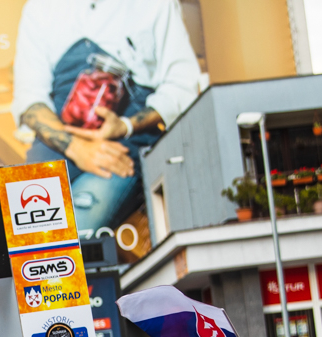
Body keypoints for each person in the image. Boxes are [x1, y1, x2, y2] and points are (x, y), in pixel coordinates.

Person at [12, 0, 199, 233]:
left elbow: (182, 86)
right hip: (55, 143)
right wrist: (77, 147)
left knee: (77, 231)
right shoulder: (39, 8)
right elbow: (29, 98)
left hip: (122, 145)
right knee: (27, 236)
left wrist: (125, 125)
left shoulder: (155, 5)